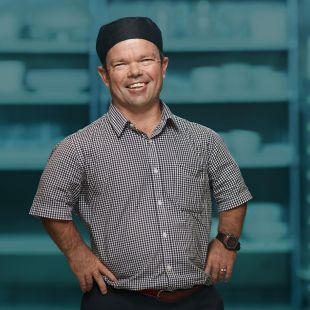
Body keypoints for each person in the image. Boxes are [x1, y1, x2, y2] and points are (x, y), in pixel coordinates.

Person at [30, 17, 252, 310]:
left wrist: (227, 243)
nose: (135, 72)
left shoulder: (204, 139)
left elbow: (234, 196)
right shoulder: (76, 148)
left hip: (199, 300)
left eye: (146, 59)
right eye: (120, 64)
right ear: (105, 76)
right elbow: (50, 206)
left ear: (163, 66)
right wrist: (77, 254)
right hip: (117, 301)